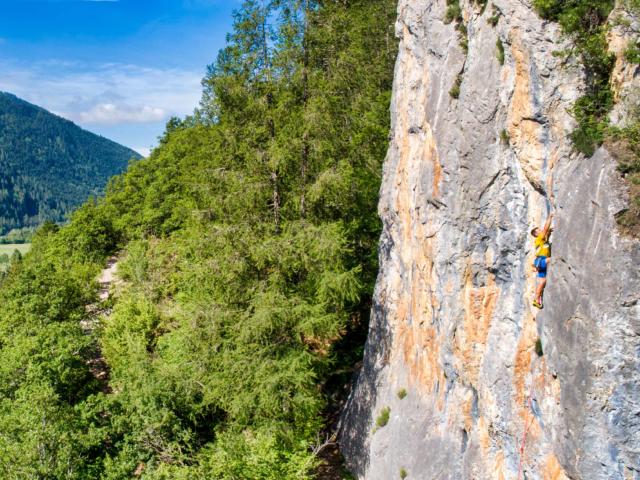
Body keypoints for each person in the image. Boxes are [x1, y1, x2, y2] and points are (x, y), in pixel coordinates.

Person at [531, 212, 553, 309]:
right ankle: (536, 298)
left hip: (538, 262)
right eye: (538, 230)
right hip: (541, 260)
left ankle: (536, 299)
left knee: (542, 282)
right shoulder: (539, 238)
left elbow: (546, 233)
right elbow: (545, 229)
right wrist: (550, 217)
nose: (540, 230)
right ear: (536, 234)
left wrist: (549, 232)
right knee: (553, 259)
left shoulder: (541, 240)